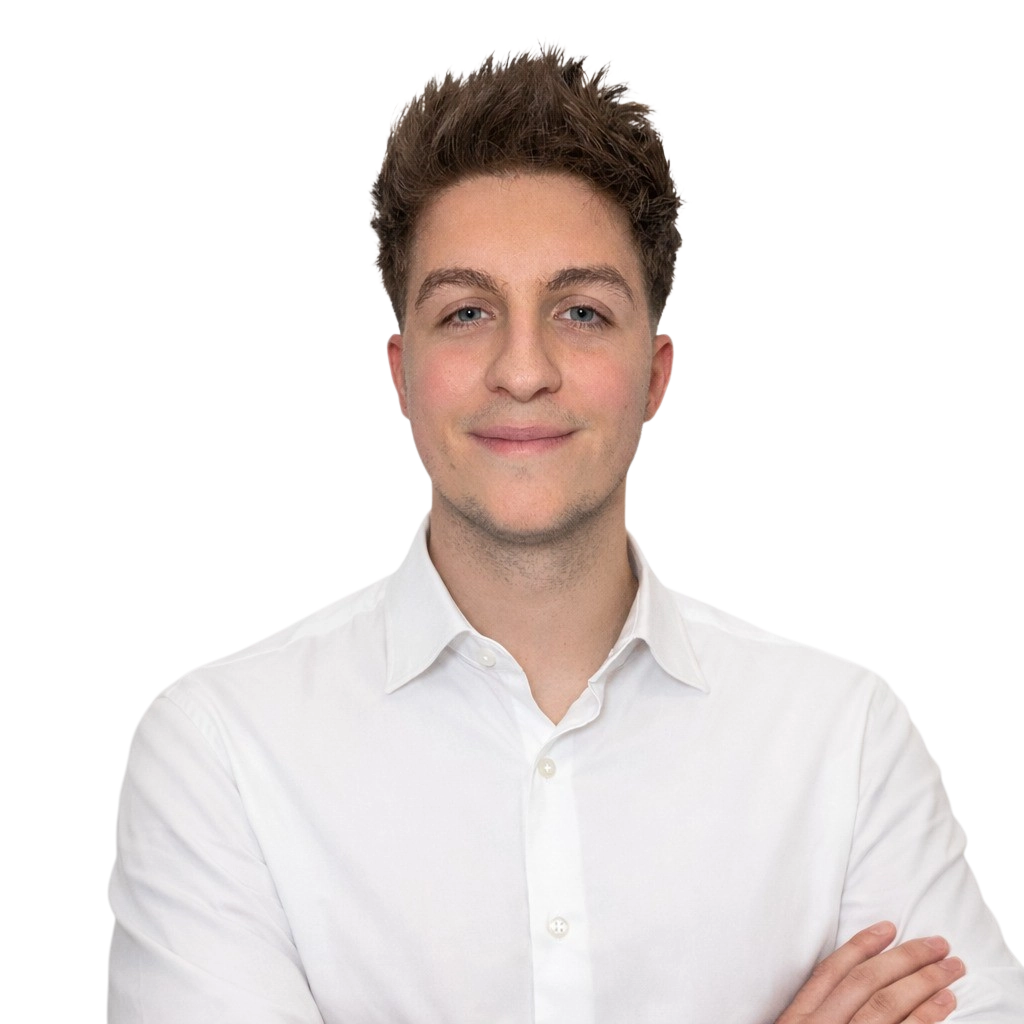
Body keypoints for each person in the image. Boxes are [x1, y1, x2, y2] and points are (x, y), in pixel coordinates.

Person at [106, 45, 1023, 1022]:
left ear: (655, 375)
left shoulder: (845, 738)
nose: (523, 369)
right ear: (401, 374)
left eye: (580, 311)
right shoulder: (218, 748)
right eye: (467, 311)